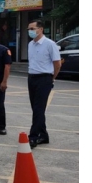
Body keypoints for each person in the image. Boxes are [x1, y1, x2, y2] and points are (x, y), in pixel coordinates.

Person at [26, 19, 61, 149]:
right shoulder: (30, 44)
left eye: (32, 29)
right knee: (35, 108)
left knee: (38, 109)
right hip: (32, 77)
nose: (30, 31)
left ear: (40, 29)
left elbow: (57, 64)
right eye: (29, 29)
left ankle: (33, 136)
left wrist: (52, 78)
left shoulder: (49, 44)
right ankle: (44, 135)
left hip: (44, 78)